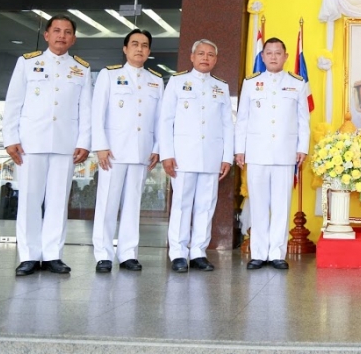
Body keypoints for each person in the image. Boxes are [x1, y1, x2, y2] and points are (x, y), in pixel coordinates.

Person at [2, 14, 92, 276]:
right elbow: (13, 102)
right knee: (30, 199)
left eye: (67, 32)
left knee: (57, 200)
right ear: (47, 35)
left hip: (66, 143)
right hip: (31, 142)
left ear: (73, 39)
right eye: (56, 31)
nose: (61, 36)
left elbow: (85, 109)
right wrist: (11, 139)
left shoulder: (81, 68)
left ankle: (53, 254)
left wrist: (84, 142)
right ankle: (29, 255)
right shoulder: (28, 63)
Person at [91, 29, 164, 273]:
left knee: (133, 204)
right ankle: (103, 254)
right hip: (113, 152)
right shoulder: (109, 75)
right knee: (107, 203)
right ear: (125, 48)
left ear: (149, 51)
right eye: (134, 44)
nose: (139, 49)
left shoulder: (156, 80)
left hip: (141, 151)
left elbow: (159, 120)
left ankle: (128, 253)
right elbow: (97, 112)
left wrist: (157, 148)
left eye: (144, 45)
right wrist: (100, 146)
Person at [235, 37, 310, 270]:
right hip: (257, 153)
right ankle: (258, 253)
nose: (274, 57)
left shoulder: (297, 83)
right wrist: (239, 150)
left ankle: (277, 253)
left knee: (281, 205)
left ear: (286, 56)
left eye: (278, 53)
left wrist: (302, 148)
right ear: (263, 56)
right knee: (258, 204)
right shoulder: (251, 83)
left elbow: (303, 119)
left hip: (285, 153)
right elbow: (243, 119)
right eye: (269, 53)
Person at [159, 39, 234, 273]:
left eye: (210, 54)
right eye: (200, 53)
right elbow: (166, 120)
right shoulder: (178, 82)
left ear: (216, 59)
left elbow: (227, 125)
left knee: (206, 204)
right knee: (181, 204)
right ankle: (178, 253)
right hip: (183, 156)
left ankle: (199, 252)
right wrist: (167, 154)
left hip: (211, 156)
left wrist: (227, 157)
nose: (205, 57)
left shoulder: (221, 87)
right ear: (192, 57)